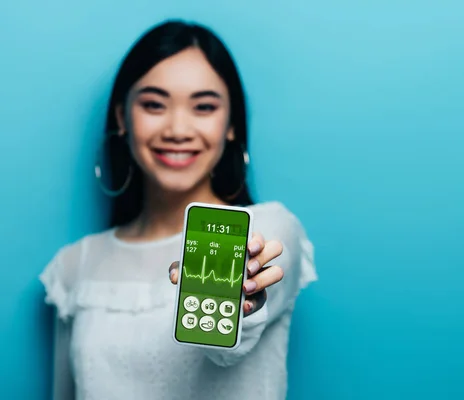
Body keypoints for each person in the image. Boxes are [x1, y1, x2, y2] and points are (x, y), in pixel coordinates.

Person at [39, 19, 317, 400]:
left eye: (203, 107)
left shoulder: (266, 230)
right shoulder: (74, 264)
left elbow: (226, 347)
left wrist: (240, 304)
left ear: (231, 124)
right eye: (154, 104)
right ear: (123, 118)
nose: (177, 129)